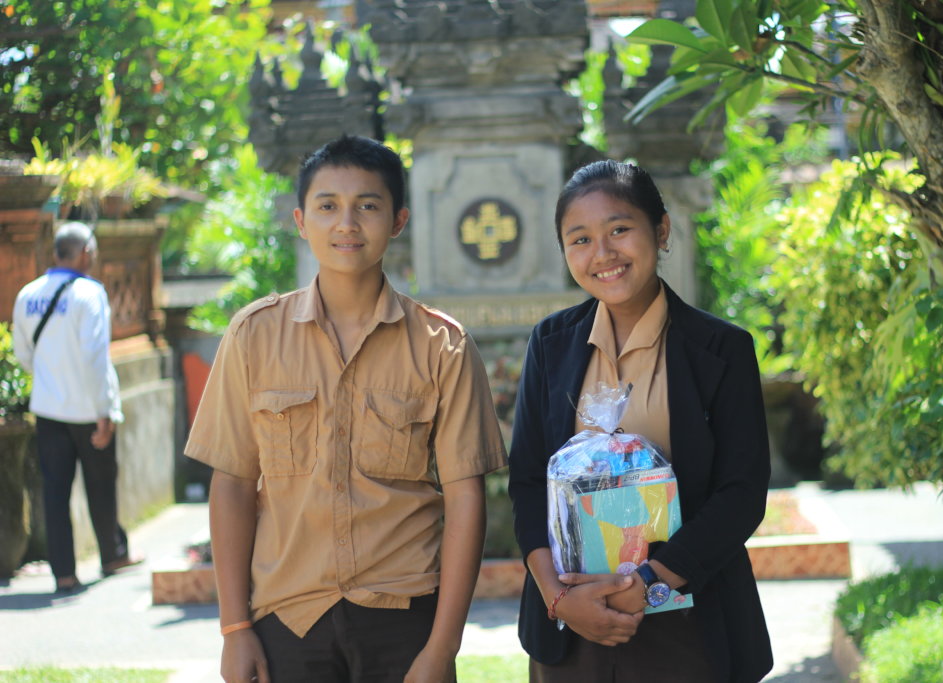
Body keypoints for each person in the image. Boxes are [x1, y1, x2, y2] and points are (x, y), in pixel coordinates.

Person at [184, 134, 508, 683]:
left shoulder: (441, 346)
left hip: (404, 616)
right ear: (300, 219)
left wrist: (441, 649)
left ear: (399, 220)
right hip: (288, 619)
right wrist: (235, 631)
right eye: (328, 206)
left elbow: (464, 499)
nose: (347, 224)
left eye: (368, 206)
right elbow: (233, 484)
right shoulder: (254, 336)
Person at [508, 160, 773, 682]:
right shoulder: (552, 343)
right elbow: (526, 480)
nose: (602, 254)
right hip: (571, 627)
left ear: (662, 230)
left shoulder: (720, 349)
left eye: (620, 230)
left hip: (688, 621)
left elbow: (742, 493)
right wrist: (559, 597)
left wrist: (649, 582)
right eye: (579, 239)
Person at [12, 221, 140, 595]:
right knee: (101, 483)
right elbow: (95, 357)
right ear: (85, 253)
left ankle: (64, 574)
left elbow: (24, 353)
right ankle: (112, 554)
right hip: (88, 409)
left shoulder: (27, 294)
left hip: (49, 409)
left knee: (54, 491)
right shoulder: (89, 293)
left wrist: (52, 379)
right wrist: (104, 410)